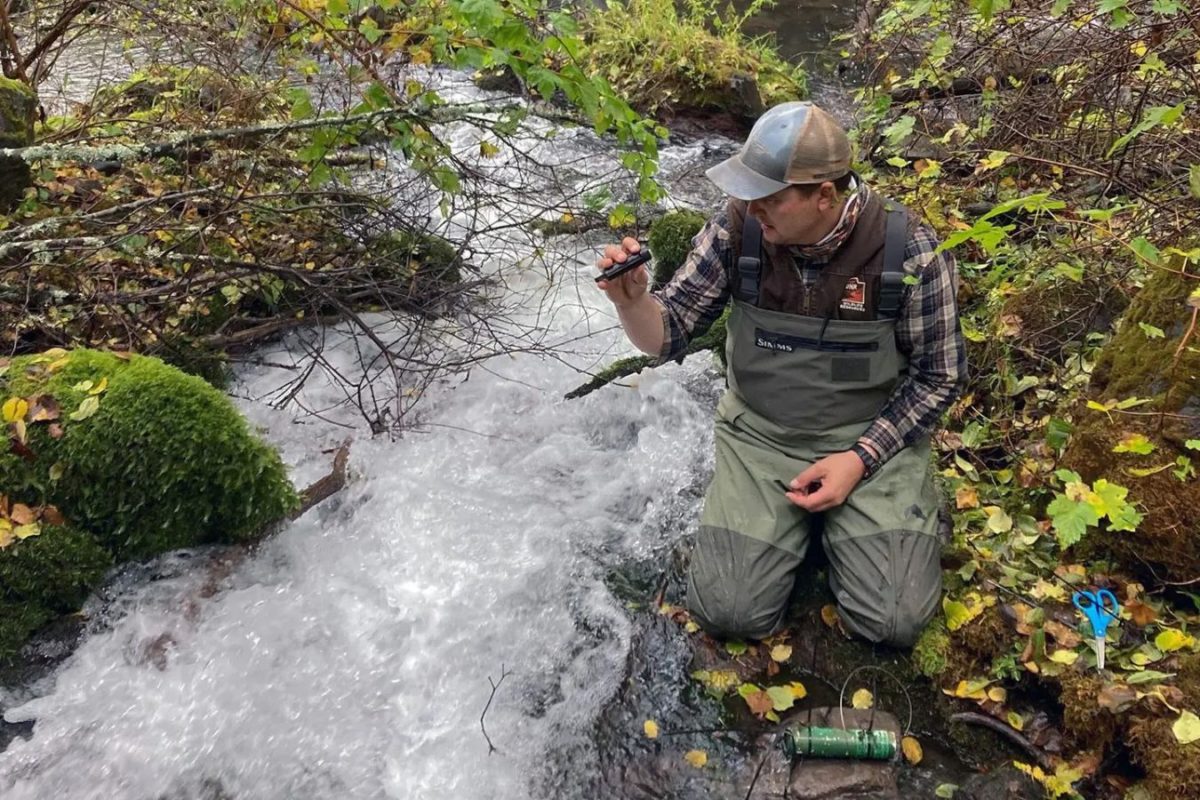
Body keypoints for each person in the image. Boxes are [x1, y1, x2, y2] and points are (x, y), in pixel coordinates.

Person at [595, 101, 966, 647]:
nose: (753, 209)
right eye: (749, 195)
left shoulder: (905, 249)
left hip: (870, 441)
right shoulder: (736, 229)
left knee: (894, 624)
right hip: (760, 438)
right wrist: (632, 302)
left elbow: (941, 376)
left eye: (770, 199)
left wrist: (858, 459)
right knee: (727, 612)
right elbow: (667, 333)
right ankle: (808, 531)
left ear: (825, 196)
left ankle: (871, 521)